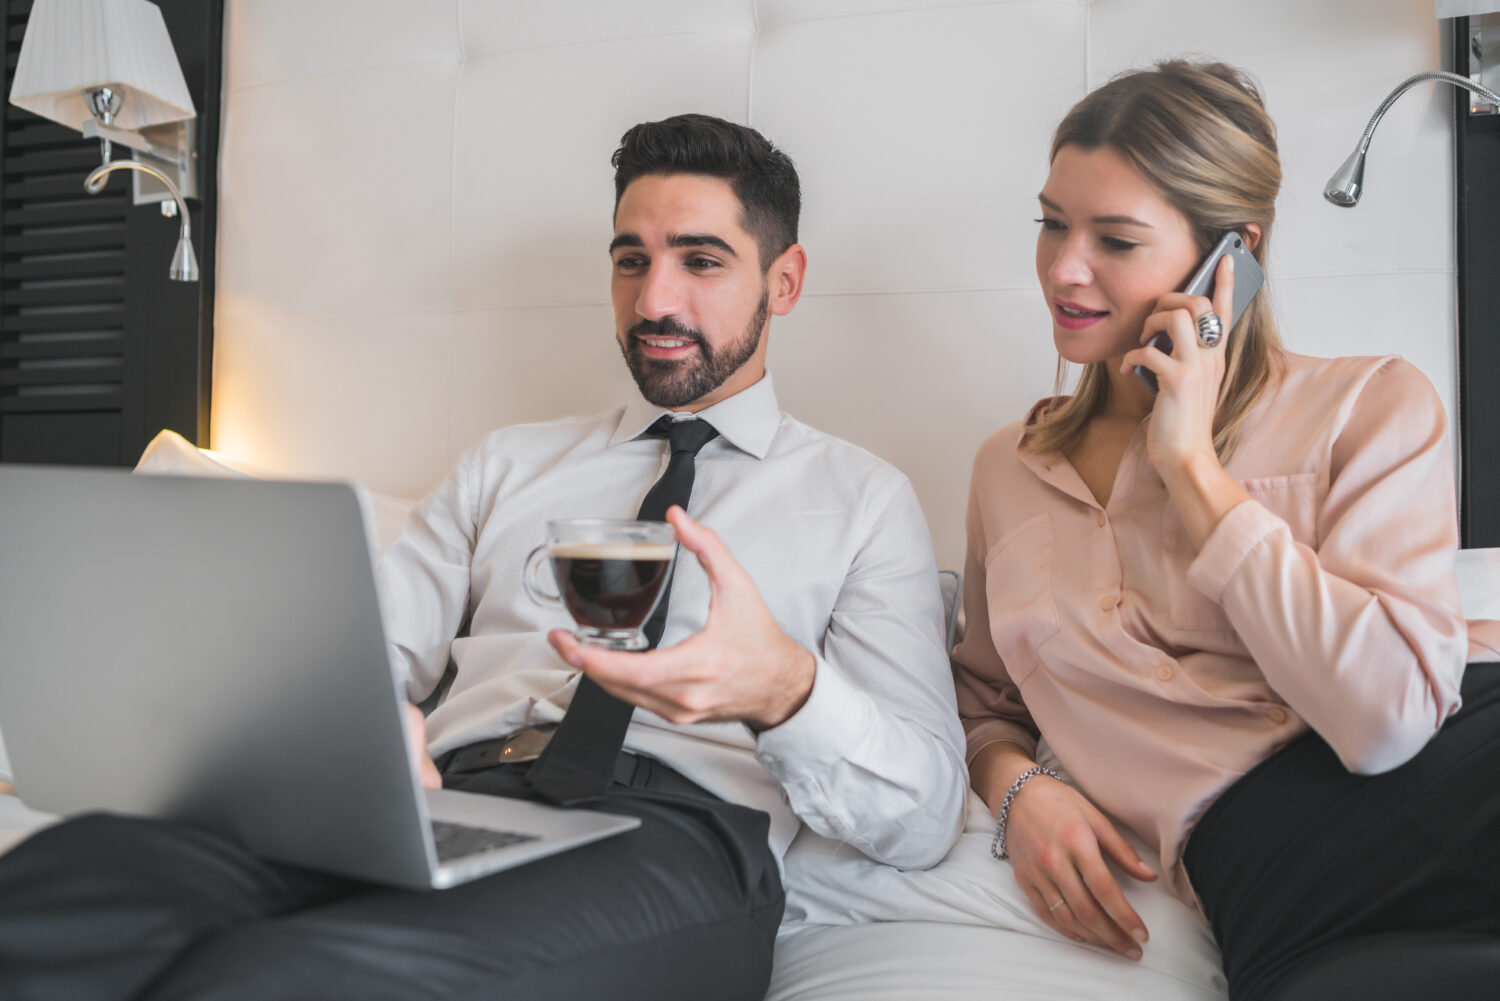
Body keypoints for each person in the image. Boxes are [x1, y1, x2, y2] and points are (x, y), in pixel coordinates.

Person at [0, 113, 968, 1001]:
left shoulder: (862, 498)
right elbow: (369, 648)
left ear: (784, 280)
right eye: (631, 260)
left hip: (675, 836)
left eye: (701, 260)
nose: (654, 298)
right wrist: (366, 732)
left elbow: (923, 814)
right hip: (449, 800)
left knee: (282, 975)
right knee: (71, 886)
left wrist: (785, 687)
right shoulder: (509, 461)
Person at [951, 61, 1500, 1001]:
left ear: (1232, 256)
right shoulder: (1008, 467)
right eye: (1051, 223)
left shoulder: (1370, 405)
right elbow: (982, 702)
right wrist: (1018, 789)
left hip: (1449, 773)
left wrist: (1194, 472)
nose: (1063, 268)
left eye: (1115, 240)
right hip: (1259, 865)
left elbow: (1387, 721)